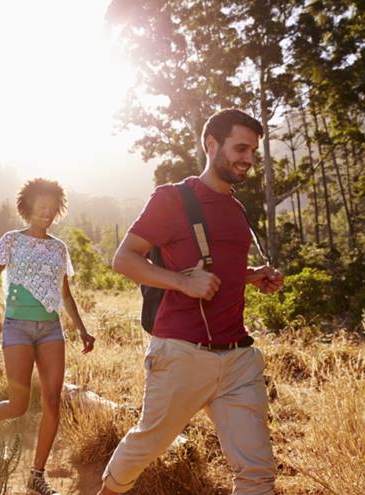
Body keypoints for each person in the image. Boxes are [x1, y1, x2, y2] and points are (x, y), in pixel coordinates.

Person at [99, 108, 285, 495]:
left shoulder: (236, 208)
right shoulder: (172, 199)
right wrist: (182, 282)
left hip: (238, 360)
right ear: (211, 144)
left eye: (253, 151)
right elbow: (124, 258)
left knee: (257, 472)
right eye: (240, 148)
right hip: (181, 354)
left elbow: (217, 269)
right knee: (146, 443)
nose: (248, 159)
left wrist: (253, 276)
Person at [0, 178, 96, 495]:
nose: (48, 214)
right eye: (42, 208)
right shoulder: (11, 241)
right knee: (19, 405)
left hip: (51, 329)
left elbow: (65, 295)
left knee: (53, 401)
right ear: (28, 208)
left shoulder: (59, 248)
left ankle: (36, 475)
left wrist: (82, 329)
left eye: (53, 209)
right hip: (17, 327)